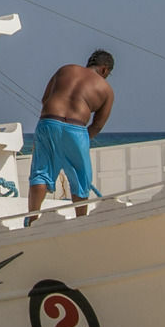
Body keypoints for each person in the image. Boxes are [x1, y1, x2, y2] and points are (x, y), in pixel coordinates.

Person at [27, 50, 114, 223]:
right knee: (81, 178)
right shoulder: (106, 89)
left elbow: (45, 98)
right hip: (76, 128)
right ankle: (81, 221)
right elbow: (97, 125)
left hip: (48, 121)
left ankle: (31, 219)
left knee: (41, 173)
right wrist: (79, 143)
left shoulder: (65, 69)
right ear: (104, 70)